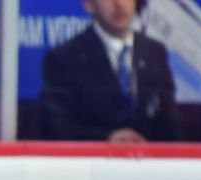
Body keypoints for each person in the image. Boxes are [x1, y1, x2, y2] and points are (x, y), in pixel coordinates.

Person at [40, 0, 179, 142]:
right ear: (89, 4)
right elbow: (58, 129)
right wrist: (107, 140)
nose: (119, 3)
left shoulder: (154, 53)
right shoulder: (64, 59)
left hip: (151, 161)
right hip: (92, 161)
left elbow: (170, 126)